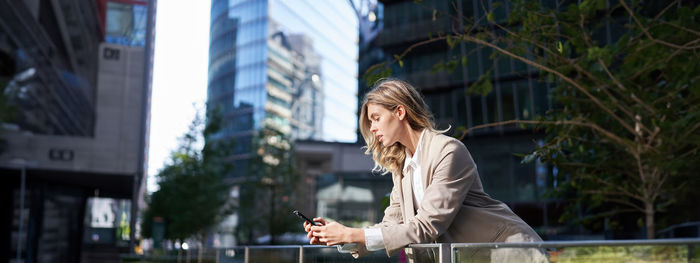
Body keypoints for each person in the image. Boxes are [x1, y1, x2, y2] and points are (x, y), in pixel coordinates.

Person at [303, 79, 545, 261]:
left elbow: (428, 226)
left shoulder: (448, 151)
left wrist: (350, 234)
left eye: (376, 118)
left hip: (508, 252)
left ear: (400, 112)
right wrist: (338, 236)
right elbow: (391, 227)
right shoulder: (402, 168)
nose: (373, 128)